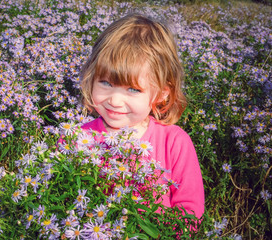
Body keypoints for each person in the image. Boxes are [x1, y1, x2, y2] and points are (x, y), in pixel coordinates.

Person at [79, 13, 205, 218]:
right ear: (91, 78)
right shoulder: (77, 139)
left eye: (133, 90)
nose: (115, 101)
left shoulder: (174, 143)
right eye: (106, 83)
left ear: (162, 93)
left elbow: (189, 211)